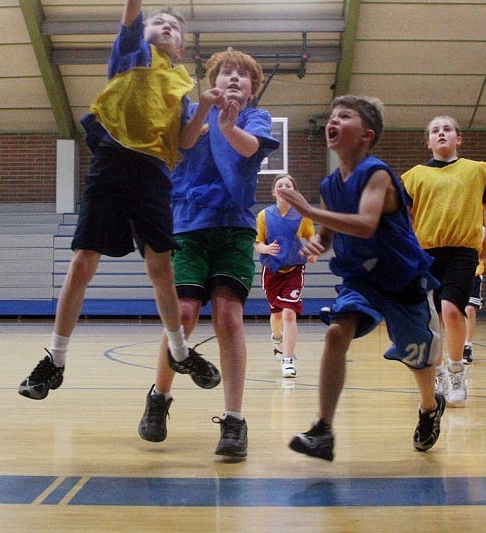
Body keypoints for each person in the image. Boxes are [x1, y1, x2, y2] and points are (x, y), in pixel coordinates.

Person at [19, 0, 219, 401]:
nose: (165, 28)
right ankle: (55, 358)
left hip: (153, 172)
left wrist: (208, 106)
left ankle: (178, 348)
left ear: (182, 45)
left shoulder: (183, 85)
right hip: (111, 163)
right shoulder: (132, 54)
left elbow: (187, 141)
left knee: (161, 268)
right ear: (144, 29)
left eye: (174, 28)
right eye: (159, 22)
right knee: (83, 259)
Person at [279, 95, 444, 462]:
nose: (332, 121)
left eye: (344, 116)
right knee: (336, 333)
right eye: (332, 116)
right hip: (361, 280)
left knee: (417, 359)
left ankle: (430, 406)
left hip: (402, 279)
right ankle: (323, 430)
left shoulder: (378, 174)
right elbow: (329, 231)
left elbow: (367, 225)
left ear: (366, 134)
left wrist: (307, 210)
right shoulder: (329, 185)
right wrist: (317, 242)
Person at [138, 48, 280, 459]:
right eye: (225, 73)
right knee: (181, 315)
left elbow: (250, 148)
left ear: (252, 89)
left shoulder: (255, 118)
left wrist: (228, 124)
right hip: (186, 225)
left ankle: (234, 420)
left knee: (229, 318)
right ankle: (159, 397)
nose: (234, 78)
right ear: (210, 83)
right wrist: (206, 115)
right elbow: (181, 143)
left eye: (243, 75)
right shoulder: (191, 116)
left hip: (234, 228)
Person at [401, 115, 486, 407]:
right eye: (435, 130)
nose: (441, 133)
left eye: (447, 129)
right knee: (431, 319)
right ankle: (439, 372)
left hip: (462, 251)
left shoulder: (474, 171)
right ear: (428, 141)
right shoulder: (414, 176)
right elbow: (403, 218)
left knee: (453, 311)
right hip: (425, 253)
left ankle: (457, 370)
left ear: (458, 138)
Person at [254, 174, 316, 378]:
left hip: (294, 269)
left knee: (289, 313)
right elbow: (257, 243)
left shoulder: (302, 215)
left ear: (294, 191)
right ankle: (276, 337)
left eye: (288, 185)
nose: (283, 187)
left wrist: (313, 250)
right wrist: (266, 248)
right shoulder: (264, 215)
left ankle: (287, 361)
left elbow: (310, 237)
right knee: (277, 313)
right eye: (279, 185)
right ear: (274, 192)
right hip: (272, 270)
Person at [464, 256, 486, 364]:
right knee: (453, 312)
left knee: (470, 309)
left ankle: (467, 346)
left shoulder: (479, 238)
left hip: (474, 276)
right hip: (455, 275)